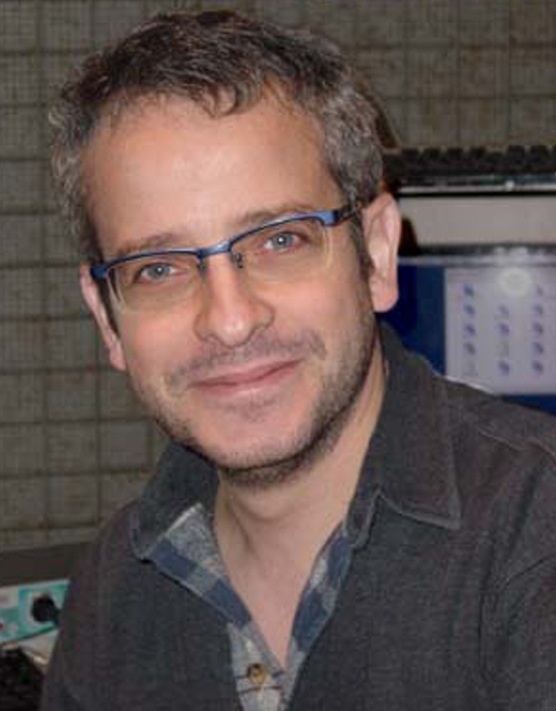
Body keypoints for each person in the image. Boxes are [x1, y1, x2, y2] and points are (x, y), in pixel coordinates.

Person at [42, 9, 556, 711]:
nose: (229, 320)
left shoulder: (536, 539)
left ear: (376, 254)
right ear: (107, 315)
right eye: (157, 269)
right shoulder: (112, 595)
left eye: (280, 240)